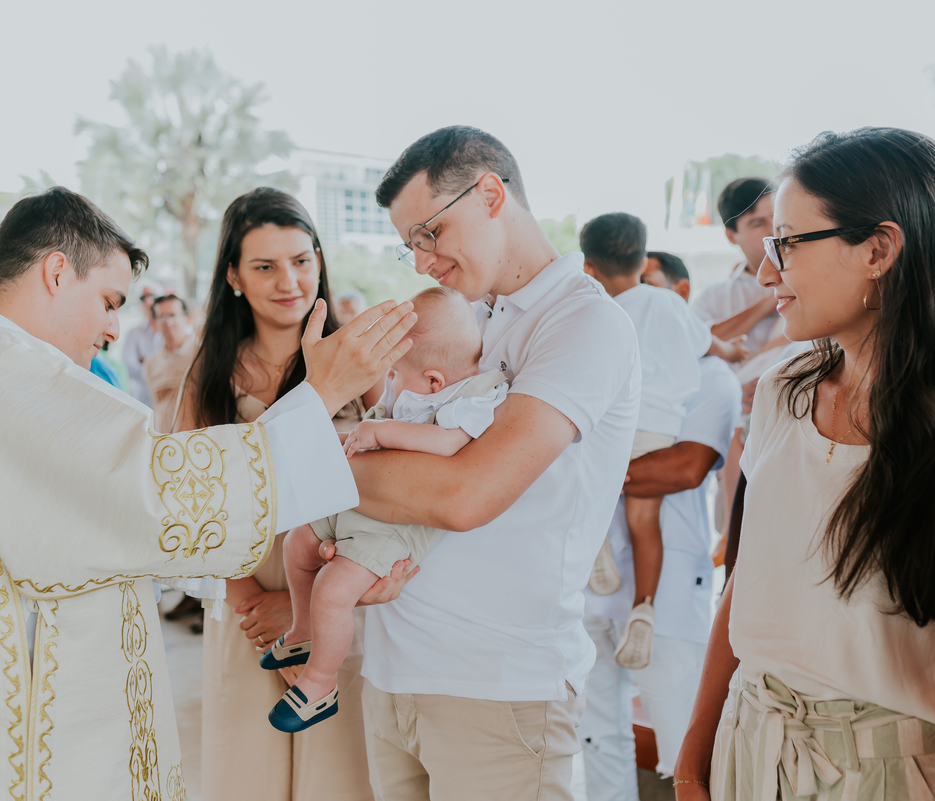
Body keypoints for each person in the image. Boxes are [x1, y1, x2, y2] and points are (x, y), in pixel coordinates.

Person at [0, 186, 416, 799]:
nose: (111, 327)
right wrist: (319, 396)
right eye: (107, 301)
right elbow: (150, 494)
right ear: (55, 272)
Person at [675, 128, 935, 801]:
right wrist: (693, 758)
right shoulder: (784, 389)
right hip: (748, 744)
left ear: (878, 250)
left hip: (886, 771)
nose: (767, 273)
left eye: (788, 244)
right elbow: (748, 581)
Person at [348, 125, 641, 801]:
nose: (421, 262)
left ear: (489, 194)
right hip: (393, 670)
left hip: (497, 685)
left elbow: (465, 495)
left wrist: (319, 473)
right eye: (409, 246)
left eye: (429, 233)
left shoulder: (582, 323)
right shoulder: (460, 320)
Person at [177, 186, 394, 801]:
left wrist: (307, 612)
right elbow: (187, 505)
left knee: (340, 778)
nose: (288, 281)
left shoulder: (361, 362)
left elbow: (400, 486)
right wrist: (256, 606)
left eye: (301, 260)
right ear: (234, 277)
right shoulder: (207, 376)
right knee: (249, 776)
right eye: (265, 266)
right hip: (243, 606)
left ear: (319, 260)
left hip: (339, 602)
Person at [266, 286, 509, 733]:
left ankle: (320, 683)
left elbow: (447, 443)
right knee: (297, 543)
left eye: (393, 372)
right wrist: (348, 439)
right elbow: (371, 431)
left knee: (332, 590)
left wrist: (380, 433)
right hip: (359, 498)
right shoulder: (412, 390)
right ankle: (302, 631)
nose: (388, 381)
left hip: (397, 523)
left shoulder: (472, 399)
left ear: (434, 381)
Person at [579, 264, 741, 801]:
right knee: (597, 737)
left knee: (681, 745)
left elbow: (686, 468)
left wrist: (595, 471)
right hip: (590, 585)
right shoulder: (608, 366)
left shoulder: (710, 376)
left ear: (680, 292)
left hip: (668, 594)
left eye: (647, 285)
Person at [580, 212, 744, 670]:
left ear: (589, 267)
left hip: (612, 425)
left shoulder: (595, 312)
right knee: (644, 520)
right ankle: (645, 606)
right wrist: (735, 350)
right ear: (641, 260)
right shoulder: (669, 304)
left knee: (586, 483)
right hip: (658, 430)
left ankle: (596, 544)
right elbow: (711, 345)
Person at [691, 178, 783, 528]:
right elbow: (695, 342)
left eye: (776, 217)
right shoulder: (715, 297)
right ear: (732, 235)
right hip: (736, 425)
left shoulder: (814, 281)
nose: (772, 230)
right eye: (757, 223)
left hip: (788, 420)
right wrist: (767, 302)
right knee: (737, 526)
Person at [144, 294, 197, 434]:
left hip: (198, 440)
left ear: (188, 319)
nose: (168, 322)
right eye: (162, 317)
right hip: (165, 440)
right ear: (154, 323)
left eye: (173, 315)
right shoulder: (151, 363)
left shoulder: (203, 355)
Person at [121, 278, 164, 405]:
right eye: (143, 298)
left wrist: (145, 362)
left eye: (152, 295)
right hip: (142, 400)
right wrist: (160, 373)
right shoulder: (133, 333)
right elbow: (129, 366)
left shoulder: (171, 328)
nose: (148, 301)